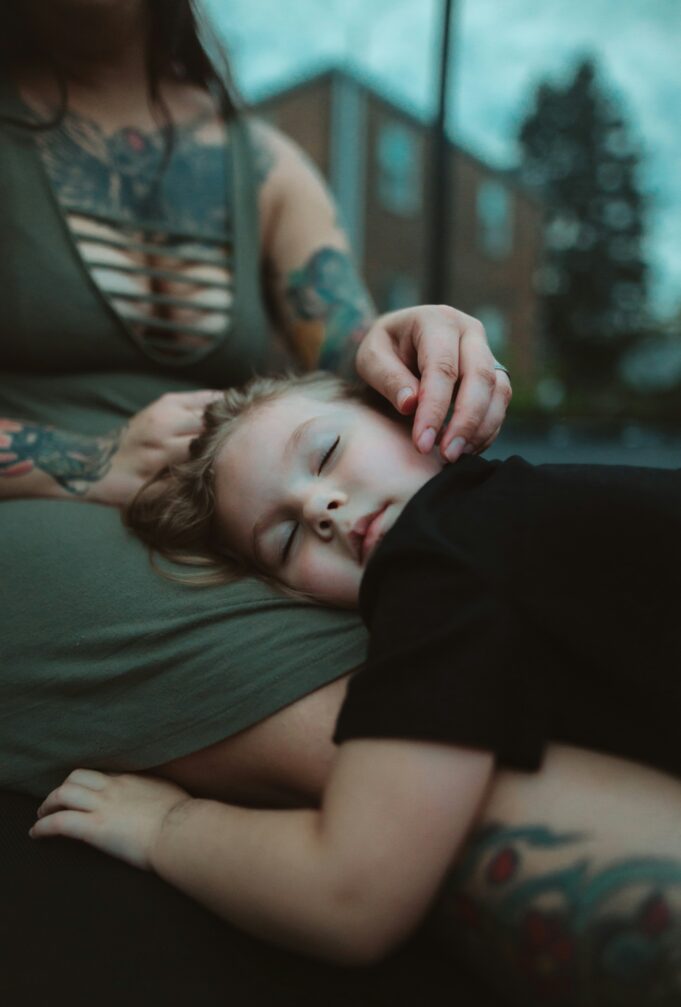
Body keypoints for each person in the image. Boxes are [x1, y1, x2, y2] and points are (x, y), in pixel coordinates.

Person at [32, 372, 681, 1007]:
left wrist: (164, 826)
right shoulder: (530, 510)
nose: (319, 507)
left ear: (409, 413)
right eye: (283, 538)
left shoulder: (442, 557)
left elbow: (349, 898)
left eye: (323, 453)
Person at [0, 0, 511, 803]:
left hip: (246, 521)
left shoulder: (263, 163)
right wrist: (82, 461)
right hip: (31, 512)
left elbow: (347, 344)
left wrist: (408, 345)